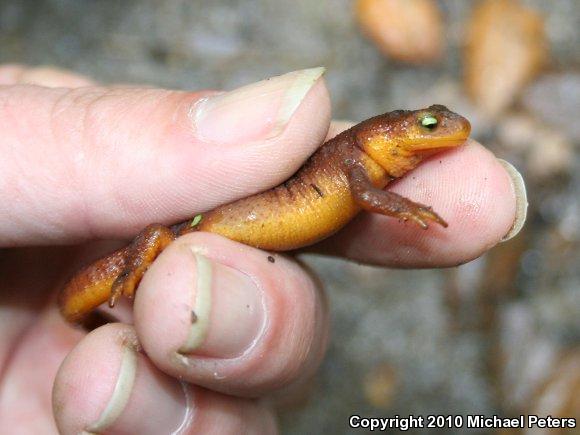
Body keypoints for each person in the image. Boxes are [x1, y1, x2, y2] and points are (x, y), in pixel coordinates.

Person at [0, 65, 525, 434]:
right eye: (428, 126)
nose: (441, 132)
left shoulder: (371, 159)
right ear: (384, 133)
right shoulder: (357, 159)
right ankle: (126, 279)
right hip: (183, 230)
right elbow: (364, 196)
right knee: (161, 244)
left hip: (224, 235)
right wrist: (407, 210)